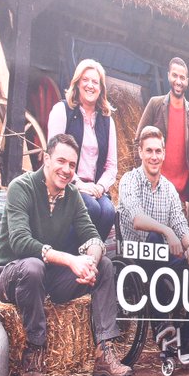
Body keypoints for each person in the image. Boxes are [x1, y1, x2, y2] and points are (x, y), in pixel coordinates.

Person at [0, 133, 129, 376]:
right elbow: (20, 242)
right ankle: (34, 350)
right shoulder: (21, 187)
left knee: (105, 265)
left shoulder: (72, 196)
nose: (66, 170)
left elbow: (94, 238)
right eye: (61, 161)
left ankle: (104, 352)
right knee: (33, 267)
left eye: (72, 165)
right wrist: (69, 259)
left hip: (49, 278)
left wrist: (89, 262)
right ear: (46, 159)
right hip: (11, 274)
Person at [118, 125, 189, 355]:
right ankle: (160, 323)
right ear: (140, 152)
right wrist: (166, 232)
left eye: (158, 151)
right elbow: (137, 219)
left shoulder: (169, 189)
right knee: (154, 238)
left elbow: (180, 223)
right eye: (149, 151)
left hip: (160, 261)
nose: (154, 156)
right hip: (134, 262)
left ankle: (188, 339)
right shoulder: (129, 181)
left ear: (164, 153)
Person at [46, 59, 118, 244]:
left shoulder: (107, 120)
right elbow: (53, 156)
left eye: (95, 82)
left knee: (109, 212)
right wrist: (78, 184)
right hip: (67, 183)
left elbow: (111, 165)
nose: (90, 85)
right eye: (85, 80)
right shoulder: (62, 110)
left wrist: (100, 187)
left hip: (95, 188)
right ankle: (68, 256)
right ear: (77, 82)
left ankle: (91, 257)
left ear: (101, 88)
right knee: (92, 208)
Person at [135, 57, 189, 228]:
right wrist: (143, 177)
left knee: (179, 246)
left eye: (182, 77)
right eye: (175, 76)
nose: (178, 81)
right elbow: (137, 141)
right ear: (168, 76)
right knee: (152, 241)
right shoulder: (155, 104)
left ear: (187, 81)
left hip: (181, 195)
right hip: (155, 189)